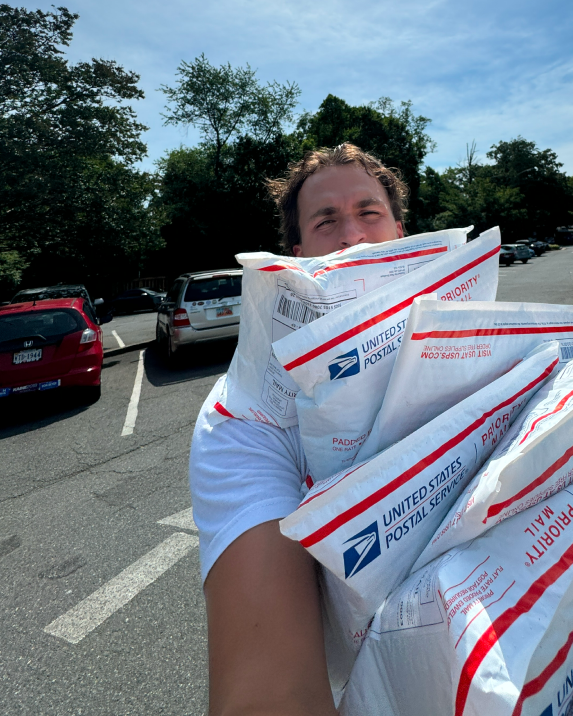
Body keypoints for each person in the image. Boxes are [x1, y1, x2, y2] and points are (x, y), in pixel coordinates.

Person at [190, 144, 407, 716]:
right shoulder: (242, 422)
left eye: (369, 212)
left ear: (402, 234)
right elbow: (268, 697)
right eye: (326, 220)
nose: (352, 236)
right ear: (299, 256)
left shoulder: (485, 346)